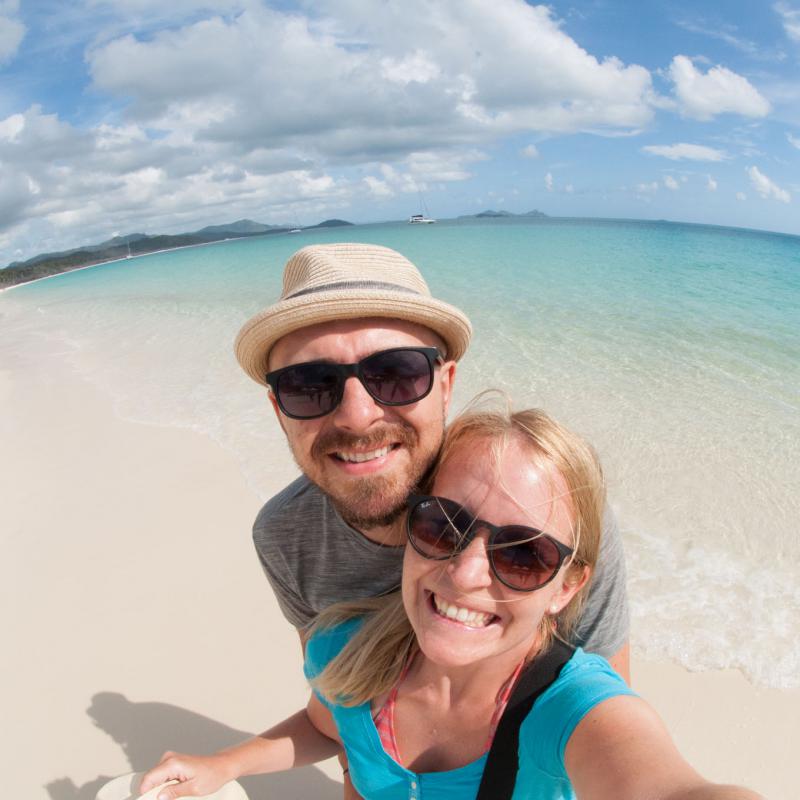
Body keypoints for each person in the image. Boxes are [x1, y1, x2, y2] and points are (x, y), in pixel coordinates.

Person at [140, 405, 760, 800]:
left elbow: (663, 786)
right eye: (444, 526)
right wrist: (223, 765)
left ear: (567, 587)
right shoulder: (346, 650)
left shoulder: (572, 708)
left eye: (524, 555)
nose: (465, 574)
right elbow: (325, 724)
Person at [234, 243, 629, 677]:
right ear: (278, 410)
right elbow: (336, 696)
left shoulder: (549, 511)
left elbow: (607, 707)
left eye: (396, 374)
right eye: (308, 385)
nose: (357, 416)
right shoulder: (285, 537)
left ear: (445, 385)